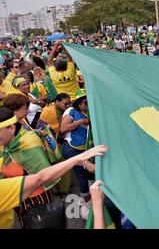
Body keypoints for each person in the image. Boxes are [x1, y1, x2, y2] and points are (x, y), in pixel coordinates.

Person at [0, 107, 108, 229]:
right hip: (14, 196)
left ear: (11, 128)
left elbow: (42, 177)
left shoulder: (30, 144)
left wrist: (81, 161)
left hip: (36, 197)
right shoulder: (4, 145)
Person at [60, 89, 92, 219]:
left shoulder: (90, 113)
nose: (87, 104)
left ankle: (83, 198)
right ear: (78, 103)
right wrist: (80, 122)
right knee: (82, 174)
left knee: (86, 174)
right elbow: (63, 129)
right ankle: (85, 205)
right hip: (72, 149)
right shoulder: (71, 111)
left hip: (84, 149)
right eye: (85, 102)